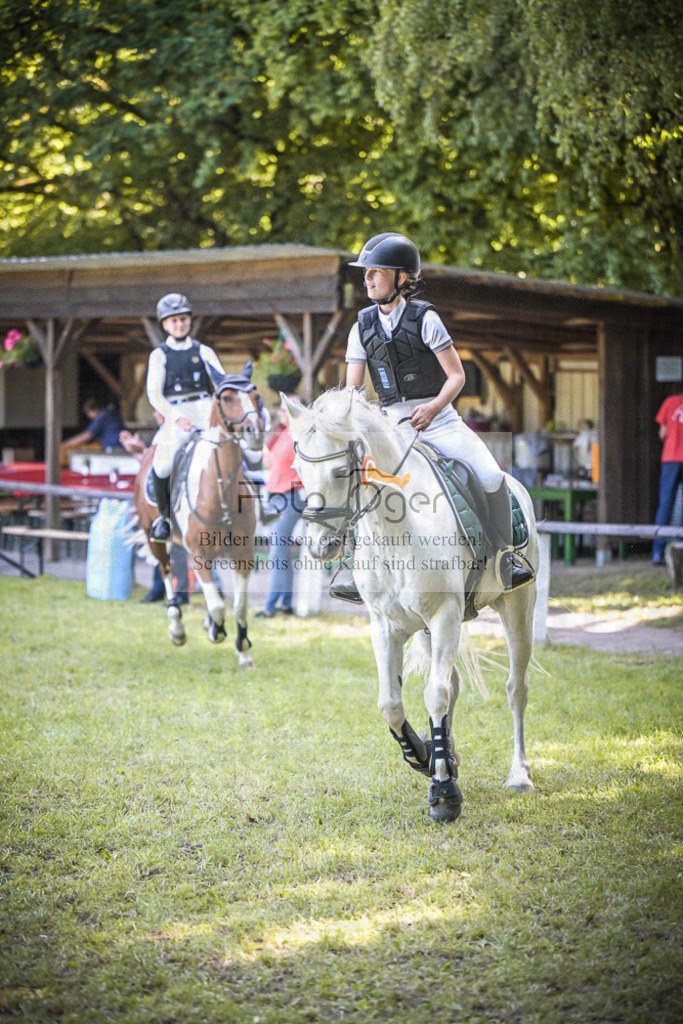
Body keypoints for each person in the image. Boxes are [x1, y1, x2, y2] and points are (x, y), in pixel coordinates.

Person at [334, 231, 534, 602]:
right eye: (366, 273)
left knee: (491, 475)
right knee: (354, 482)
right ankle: (351, 564)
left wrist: (433, 408)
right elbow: (353, 392)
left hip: (439, 420)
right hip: (391, 427)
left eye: (376, 272)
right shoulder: (360, 327)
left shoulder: (426, 319)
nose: (368, 279)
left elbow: (457, 376)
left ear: (401, 278)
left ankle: (506, 558)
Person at [145, 292, 226, 540]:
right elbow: (154, 394)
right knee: (162, 463)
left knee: (233, 449)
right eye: (173, 320)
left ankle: (248, 506)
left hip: (204, 410)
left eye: (183, 319)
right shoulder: (159, 355)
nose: (179, 324)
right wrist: (175, 417)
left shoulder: (204, 352)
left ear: (189, 320)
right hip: (176, 413)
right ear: (165, 325)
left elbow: (221, 385)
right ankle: (165, 518)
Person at [118, 425, 190, 604]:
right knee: (158, 543)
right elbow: (151, 465)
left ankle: (183, 591)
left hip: (179, 495)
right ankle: (162, 589)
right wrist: (139, 450)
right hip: (163, 496)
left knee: (177, 549)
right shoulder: (164, 432)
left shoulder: (182, 428)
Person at [255, 397, 304, 617]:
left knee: (277, 553)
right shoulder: (284, 433)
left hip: (289, 497)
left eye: (285, 409)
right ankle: (285, 603)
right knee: (281, 554)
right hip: (275, 497)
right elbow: (270, 463)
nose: (281, 412)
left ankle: (269, 607)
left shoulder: (300, 436)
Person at [652, 390, 683, 565]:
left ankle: (658, 553)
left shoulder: (670, 402)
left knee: (665, 505)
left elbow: (662, 433)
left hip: (671, 459)